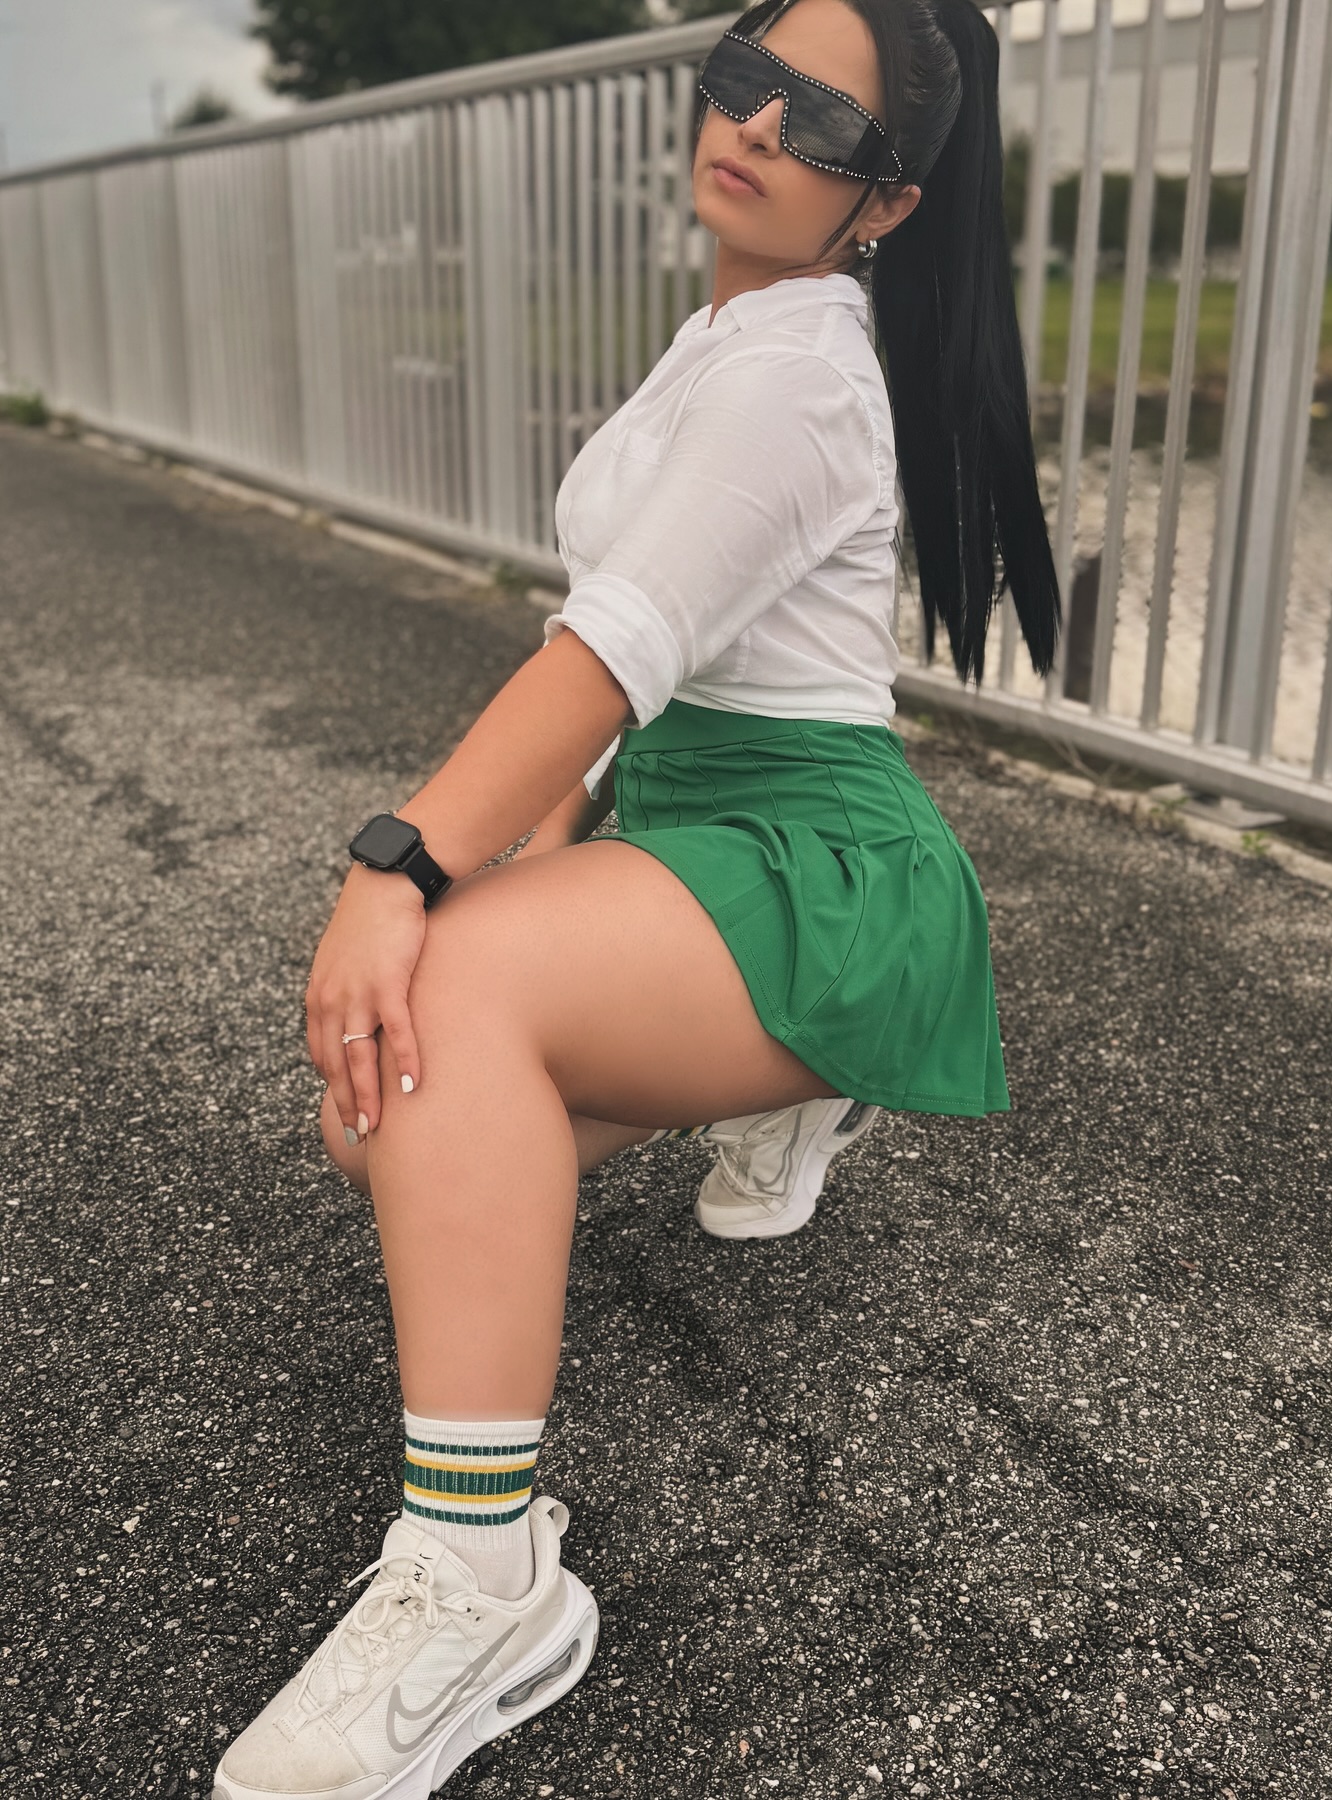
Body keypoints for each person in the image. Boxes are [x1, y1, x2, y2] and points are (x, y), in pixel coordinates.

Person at [213, 0, 1060, 1793]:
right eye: (745, 78)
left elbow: (612, 648)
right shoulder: (724, 334)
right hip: (690, 828)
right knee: (383, 1121)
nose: (754, 124)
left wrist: (402, 868)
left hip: (828, 873)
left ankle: (481, 1581)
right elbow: (630, 676)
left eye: (820, 119)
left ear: (886, 202)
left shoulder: (800, 371)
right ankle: (787, 1085)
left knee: (440, 1005)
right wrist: (536, 854)